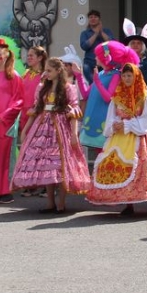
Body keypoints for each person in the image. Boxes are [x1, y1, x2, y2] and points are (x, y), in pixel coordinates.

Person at [86, 47, 147, 218]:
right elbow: (111, 115)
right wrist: (114, 125)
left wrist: (127, 125)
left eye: (129, 76)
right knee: (120, 167)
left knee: (145, 169)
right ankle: (128, 205)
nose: (126, 78)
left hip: (138, 137)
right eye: (124, 76)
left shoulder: (144, 96)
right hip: (119, 138)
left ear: (136, 76)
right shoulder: (118, 95)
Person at [13, 59, 91, 214]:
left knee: (60, 166)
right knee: (46, 166)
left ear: (58, 71)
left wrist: (74, 134)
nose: (46, 73)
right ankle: (50, 203)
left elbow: (74, 112)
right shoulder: (42, 88)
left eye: (49, 70)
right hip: (43, 128)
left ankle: (61, 203)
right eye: (46, 70)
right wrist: (25, 130)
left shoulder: (68, 88)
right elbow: (36, 109)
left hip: (60, 128)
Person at [0, 38, 24, 205]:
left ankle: (6, 191)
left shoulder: (13, 76)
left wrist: (6, 115)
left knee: (6, 158)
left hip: (5, 124)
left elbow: (19, 100)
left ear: (6, 56)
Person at [17, 46, 48, 198]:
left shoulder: (45, 75)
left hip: (39, 115)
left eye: (32, 55)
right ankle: (30, 184)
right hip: (25, 115)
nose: (28, 58)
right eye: (28, 55)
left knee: (40, 150)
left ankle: (43, 184)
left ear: (40, 57)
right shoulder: (26, 73)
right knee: (27, 150)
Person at [79, 12, 115, 79]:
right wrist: (96, 34)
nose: (93, 19)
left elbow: (112, 43)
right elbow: (84, 46)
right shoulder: (85, 33)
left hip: (105, 63)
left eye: (95, 17)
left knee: (104, 82)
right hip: (89, 63)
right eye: (91, 17)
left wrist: (101, 32)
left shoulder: (107, 31)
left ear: (99, 19)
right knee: (92, 82)